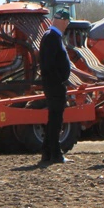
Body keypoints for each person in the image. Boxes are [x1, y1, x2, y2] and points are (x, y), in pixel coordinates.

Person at [38, 9, 72, 165]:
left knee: (53, 119)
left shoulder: (52, 37)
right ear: (62, 21)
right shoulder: (52, 38)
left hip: (53, 83)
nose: (67, 24)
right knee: (56, 120)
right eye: (67, 21)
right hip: (55, 85)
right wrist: (60, 81)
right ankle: (56, 154)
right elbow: (50, 65)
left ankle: (47, 153)